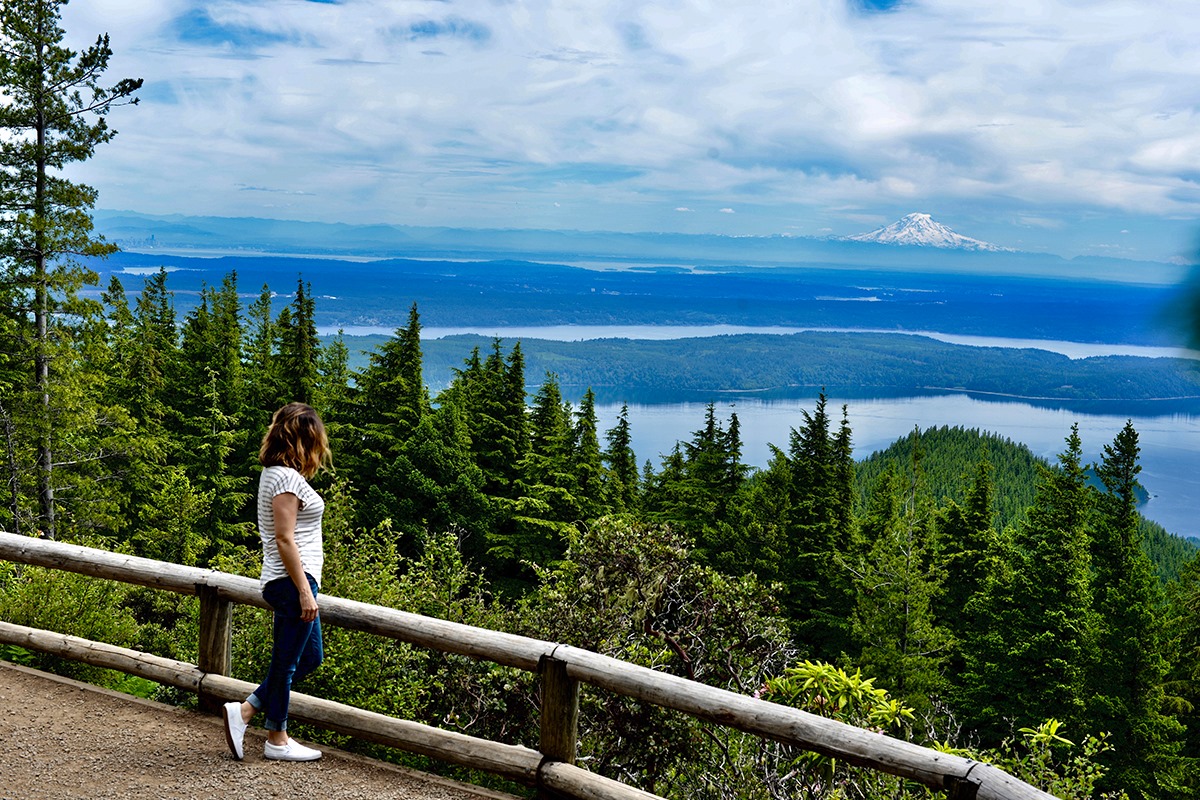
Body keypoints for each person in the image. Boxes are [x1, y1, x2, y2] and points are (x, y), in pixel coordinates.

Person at [223, 402, 331, 762]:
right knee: (285, 664)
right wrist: (303, 591)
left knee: (309, 658)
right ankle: (277, 739)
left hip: (291, 581)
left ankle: (246, 711)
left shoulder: (277, 474)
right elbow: (284, 538)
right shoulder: (284, 478)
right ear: (303, 439)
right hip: (290, 582)